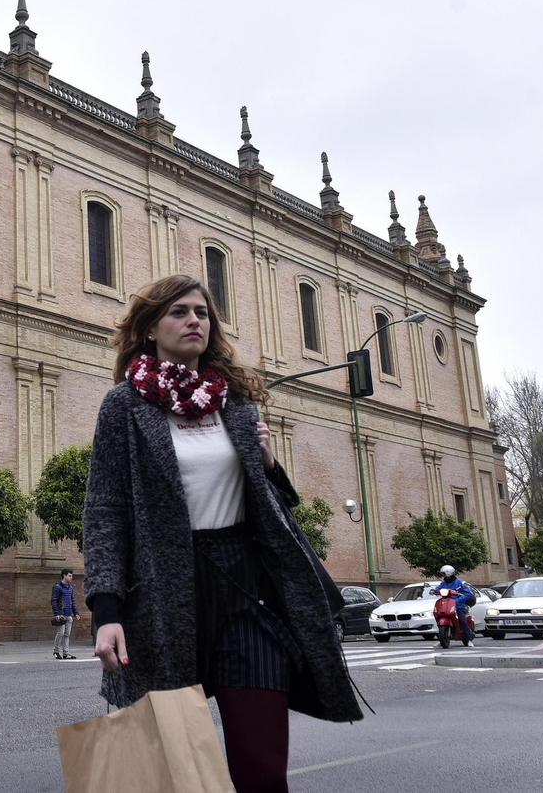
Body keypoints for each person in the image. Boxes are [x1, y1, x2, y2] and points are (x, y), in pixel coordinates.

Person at [83, 275, 361, 793]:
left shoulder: (234, 404)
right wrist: (106, 610)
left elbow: (269, 508)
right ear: (149, 330)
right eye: (179, 312)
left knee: (261, 770)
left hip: (243, 592)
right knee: (169, 773)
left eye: (202, 313)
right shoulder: (124, 407)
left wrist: (271, 464)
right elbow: (105, 511)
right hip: (163, 595)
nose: (194, 320)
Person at [430, 565, 475, 648]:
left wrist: (458, 600)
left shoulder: (460, 582)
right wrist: (433, 591)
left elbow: (468, 594)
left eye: (444, 574)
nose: (443, 576)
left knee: (462, 620)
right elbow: (438, 588)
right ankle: (442, 639)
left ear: (448, 573)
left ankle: (469, 639)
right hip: (447, 604)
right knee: (438, 614)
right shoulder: (444, 582)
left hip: (458, 605)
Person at [52, 570, 80, 659]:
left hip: (68, 614)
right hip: (61, 614)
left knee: (67, 634)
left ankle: (66, 653)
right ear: (64, 576)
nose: (71, 577)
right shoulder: (57, 587)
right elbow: (54, 600)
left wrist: (76, 613)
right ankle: (56, 651)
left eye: (71, 576)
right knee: (61, 633)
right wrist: (56, 613)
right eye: (70, 576)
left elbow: (72, 601)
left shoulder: (70, 587)